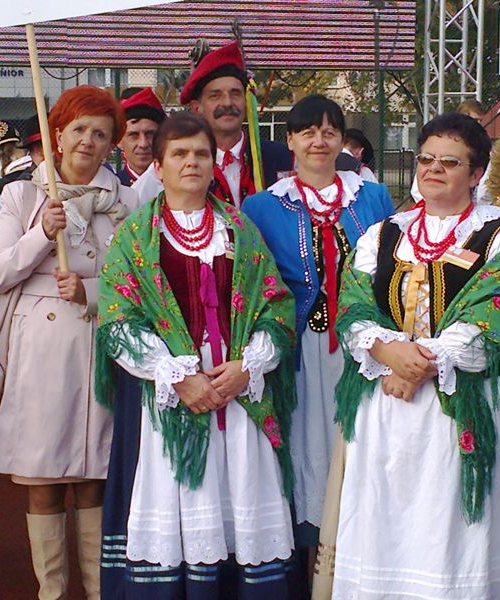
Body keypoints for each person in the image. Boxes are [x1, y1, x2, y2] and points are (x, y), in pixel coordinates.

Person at [318, 112, 500, 598]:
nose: (433, 169)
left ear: (476, 173)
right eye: (426, 159)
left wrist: (419, 362)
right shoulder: (383, 234)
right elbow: (354, 304)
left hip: (460, 406)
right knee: (383, 524)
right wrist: (387, 351)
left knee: (451, 532)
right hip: (386, 408)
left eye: (450, 162)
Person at [96, 113, 297, 599]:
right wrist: (177, 376)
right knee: (179, 507)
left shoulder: (240, 229)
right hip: (171, 400)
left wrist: (248, 366)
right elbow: (118, 321)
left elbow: (275, 305)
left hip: (237, 395)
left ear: (213, 164)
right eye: (179, 154)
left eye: (201, 154)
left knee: (241, 509)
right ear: (158, 166)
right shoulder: (134, 237)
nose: (192, 162)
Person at [0, 85, 137, 600]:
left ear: (112, 143)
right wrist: (39, 236)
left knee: (95, 478)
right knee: (44, 479)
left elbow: (142, 283)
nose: (88, 141)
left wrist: (92, 292)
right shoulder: (23, 196)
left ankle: (99, 591)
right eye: (79, 130)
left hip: (102, 347)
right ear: (58, 136)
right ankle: (51, 593)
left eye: (101, 133)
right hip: (41, 355)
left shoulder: (128, 202)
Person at [242, 95, 393, 582]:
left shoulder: (372, 197)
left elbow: (391, 268)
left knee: (359, 442)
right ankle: (307, 571)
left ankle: (357, 566)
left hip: (363, 347)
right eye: (307, 131)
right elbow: (254, 281)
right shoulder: (262, 206)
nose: (318, 141)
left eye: (329, 131)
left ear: (342, 140)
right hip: (299, 350)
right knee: (305, 445)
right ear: (289, 140)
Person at [133, 41, 293, 207]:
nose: (227, 103)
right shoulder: (172, 166)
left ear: (246, 102)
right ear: (196, 108)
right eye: (215, 96)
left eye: (235, 94)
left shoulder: (282, 157)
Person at [118, 87, 166, 187]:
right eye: (133, 135)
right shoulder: (112, 189)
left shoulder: (177, 186)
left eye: (150, 134)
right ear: (119, 141)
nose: (143, 144)